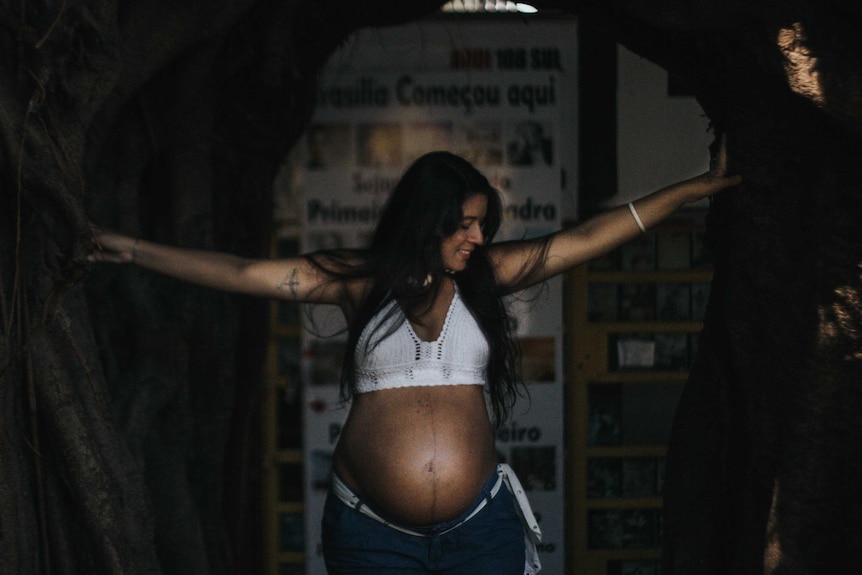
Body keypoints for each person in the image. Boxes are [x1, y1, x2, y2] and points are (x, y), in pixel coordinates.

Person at [90, 143, 740, 575]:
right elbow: (241, 270)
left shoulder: (487, 277)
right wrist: (131, 249)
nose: (478, 237)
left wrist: (695, 187)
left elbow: (590, 236)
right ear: (425, 218)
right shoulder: (355, 281)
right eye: (464, 223)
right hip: (373, 534)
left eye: (483, 223)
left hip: (481, 530)